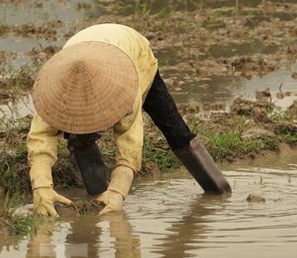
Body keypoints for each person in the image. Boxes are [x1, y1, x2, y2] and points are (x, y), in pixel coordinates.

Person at [27, 23, 231, 216]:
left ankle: (219, 190)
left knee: (173, 127)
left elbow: (130, 142)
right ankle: (96, 198)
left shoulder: (124, 88)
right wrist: (41, 187)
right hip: (81, 56)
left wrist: (118, 192)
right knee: (78, 138)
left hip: (133, 53)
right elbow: (40, 138)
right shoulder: (54, 91)